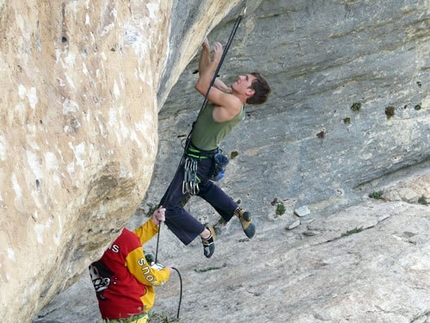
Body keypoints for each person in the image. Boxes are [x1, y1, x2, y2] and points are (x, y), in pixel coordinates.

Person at [159, 38, 271, 259]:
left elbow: (201, 86)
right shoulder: (231, 95)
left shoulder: (233, 103)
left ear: (249, 92)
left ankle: (205, 234)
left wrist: (218, 58)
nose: (240, 77)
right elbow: (206, 76)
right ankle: (235, 211)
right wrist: (206, 51)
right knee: (200, 186)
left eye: (246, 79)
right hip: (204, 158)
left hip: (197, 160)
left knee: (169, 208)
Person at [89, 206, 174, 323]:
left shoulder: (91, 237)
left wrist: (152, 224)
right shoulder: (126, 239)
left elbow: (126, 245)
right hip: (132, 310)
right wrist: (166, 272)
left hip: (109, 311)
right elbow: (149, 277)